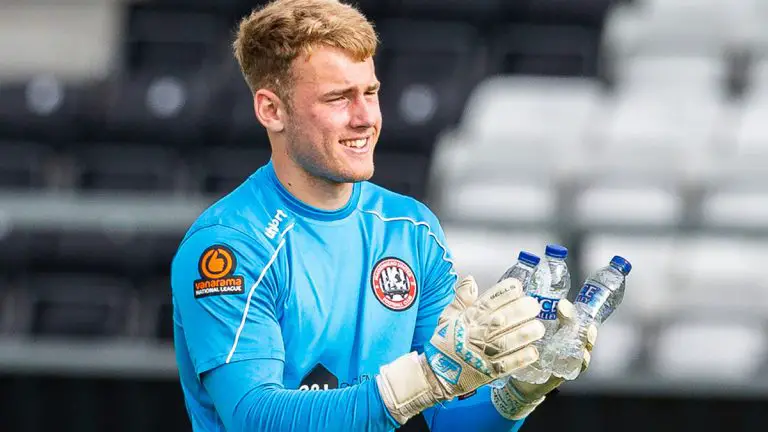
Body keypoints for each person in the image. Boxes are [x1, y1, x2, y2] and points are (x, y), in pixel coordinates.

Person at [171, 0, 597, 430]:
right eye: (338, 98)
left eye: (370, 92)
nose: (365, 118)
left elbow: (449, 422)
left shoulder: (412, 228)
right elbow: (254, 418)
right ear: (272, 110)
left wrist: (518, 392)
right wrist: (423, 379)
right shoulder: (228, 244)